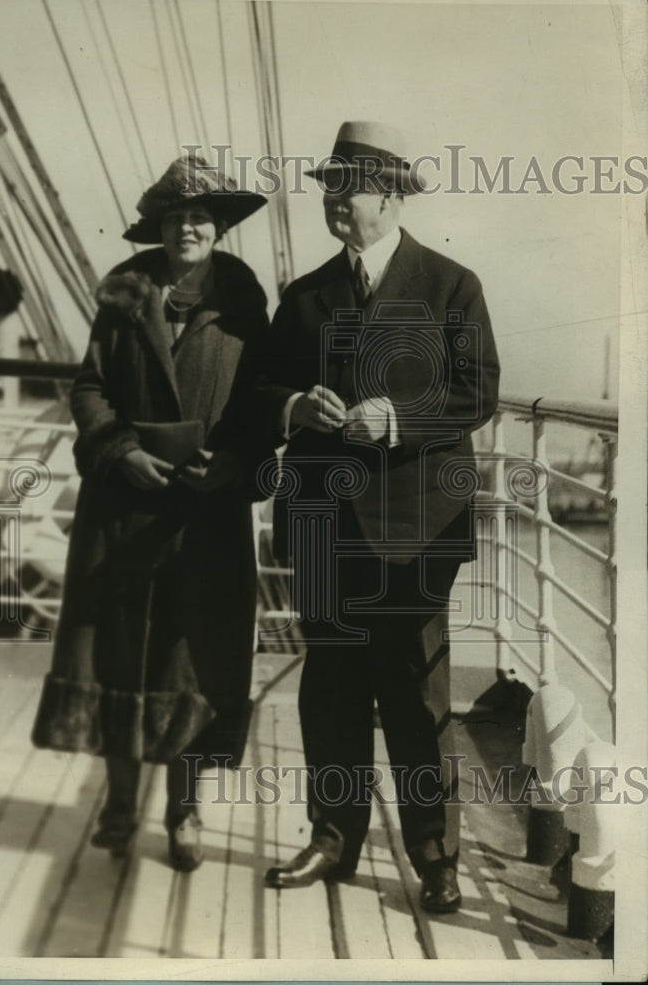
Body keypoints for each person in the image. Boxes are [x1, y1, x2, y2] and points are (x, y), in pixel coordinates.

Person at [257, 121, 500, 912]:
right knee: (328, 684)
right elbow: (259, 390)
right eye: (328, 185)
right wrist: (294, 406)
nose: (333, 199)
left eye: (348, 187)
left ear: (391, 196)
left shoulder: (449, 285)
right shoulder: (303, 296)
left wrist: (394, 419)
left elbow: (477, 390)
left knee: (414, 690)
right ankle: (332, 837)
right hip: (322, 522)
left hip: (416, 525)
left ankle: (434, 855)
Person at [32, 152, 270, 871]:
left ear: (218, 227)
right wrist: (120, 451)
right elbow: (89, 389)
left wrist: (235, 462)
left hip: (206, 513)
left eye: (199, 217)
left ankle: (184, 811)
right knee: (120, 656)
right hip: (123, 510)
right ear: (159, 229)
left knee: (189, 663)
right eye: (175, 218)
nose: (187, 228)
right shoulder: (125, 296)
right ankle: (118, 806)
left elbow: (262, 404)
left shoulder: (244, 304)